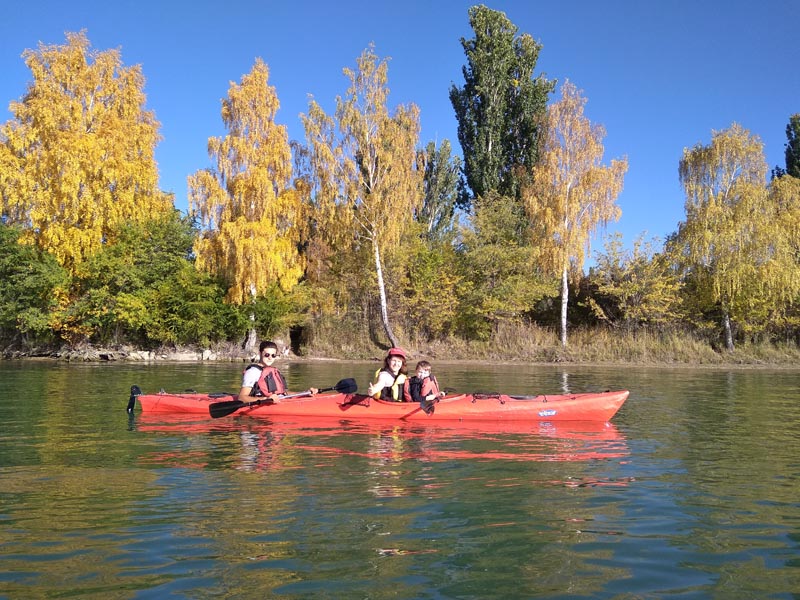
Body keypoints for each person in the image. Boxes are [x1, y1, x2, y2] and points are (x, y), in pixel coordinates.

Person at [239, 340, 317, 403]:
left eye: (273, 355)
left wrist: (304, 393)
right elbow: (242, 397)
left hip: (277, 400)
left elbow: (284, 394)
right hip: (263, 402)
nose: (270, 358)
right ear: (260, 353)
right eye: (267, 355)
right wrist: (266, 399)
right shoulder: (253, 372)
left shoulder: (272, 370)